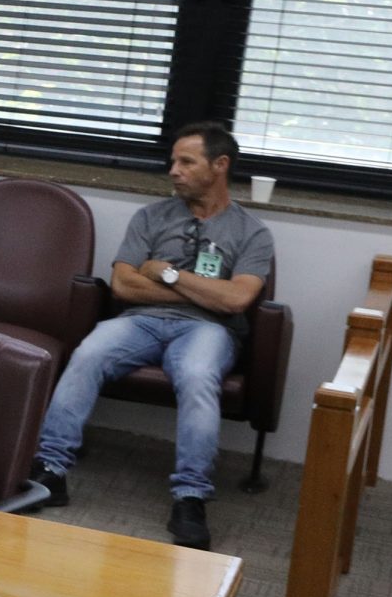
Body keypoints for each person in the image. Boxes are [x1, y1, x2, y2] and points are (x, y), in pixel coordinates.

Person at [30, 123, 275, 550]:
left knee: (198, 375)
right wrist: (200, 291)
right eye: (172, 161)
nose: (173, 170)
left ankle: (191, 496)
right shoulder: (150, 216)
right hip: (141, 320)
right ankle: (51, 470)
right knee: (89, 352)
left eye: (186, 162)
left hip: (209, 329)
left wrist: (165, 272)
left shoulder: (252, 233)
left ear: (220, 166)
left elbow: (237, 299)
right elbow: (124, 285)